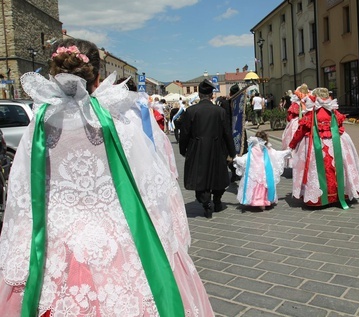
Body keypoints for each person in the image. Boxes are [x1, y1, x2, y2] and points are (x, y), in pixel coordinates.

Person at [0, 38, 214, 316]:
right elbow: (152, 185)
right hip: (121, 240)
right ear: (97, 78)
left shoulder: (40, 123)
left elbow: (22, 192)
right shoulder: (119, 120)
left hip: (55, 244)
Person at [289, 87, 359, 209]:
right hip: (336, 142)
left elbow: (302, 129)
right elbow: (340, 125)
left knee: (316, 169)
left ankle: (320, 197)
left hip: (316, 143)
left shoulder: (312, 111)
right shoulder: (333, 110)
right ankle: (341, 194)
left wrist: (293, 144)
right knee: (339, 165)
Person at [179, 79, 236, 218]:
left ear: (199, 95)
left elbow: (184, 133)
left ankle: (206, 203)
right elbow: (227, 133)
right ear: (211, 95)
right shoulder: (220, 111)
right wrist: (231, 150)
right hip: (217, 147)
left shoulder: (190, 111)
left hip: (197, 148)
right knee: (218, 175)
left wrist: (183, 149)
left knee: (200, 177)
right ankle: (217, 200)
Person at [233, 131, 290, 211]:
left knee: (254, 187)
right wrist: (287, 152)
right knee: (265, 186)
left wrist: (237, 159)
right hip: (265, 173)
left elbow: (246, 159)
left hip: (254, 172)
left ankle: (256, 201)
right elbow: (276, 154)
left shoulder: (252, 149)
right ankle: (264, 201)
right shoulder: (267, 149)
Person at [281, 84, 311, 166]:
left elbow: (290, 116)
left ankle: (294, 162)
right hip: (309, 122)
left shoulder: (296, 104)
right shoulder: (310, 101)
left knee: (293, 140)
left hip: (296, 122)